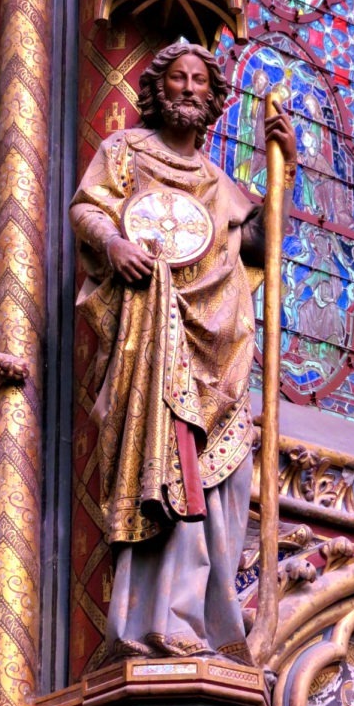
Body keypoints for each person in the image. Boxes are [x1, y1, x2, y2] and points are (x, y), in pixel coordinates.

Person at [70, 41, 295, 664]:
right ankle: (156, 617)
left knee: (216, 478)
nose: (190, 88)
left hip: (216, 347)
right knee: (165, 464)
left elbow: (256, 247)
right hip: (150, 338)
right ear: (159, 89)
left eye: (200, 80)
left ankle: (202, 618)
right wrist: (114, 244)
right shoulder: (125, 154)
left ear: (213, 97)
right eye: (178, 78)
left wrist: (286, 171)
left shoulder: (218, 182)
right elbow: (87, 209)